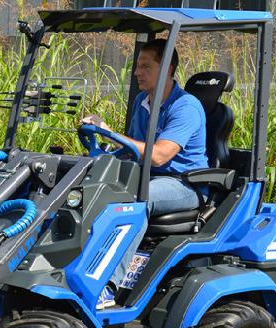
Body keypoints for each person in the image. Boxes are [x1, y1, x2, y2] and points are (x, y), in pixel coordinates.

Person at [81, 39, 208, 306]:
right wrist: (102, 146)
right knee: (89, 186)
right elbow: (133, 150)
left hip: (184, 184)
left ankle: (107, 285)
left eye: (145, 66)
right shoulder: (143, 101)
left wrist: (111, 133)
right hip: (150, 176)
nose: (137, 72)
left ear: (167, 69)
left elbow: (160, 155)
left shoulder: (186, 107)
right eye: (137, 66)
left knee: (137, 197)